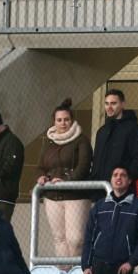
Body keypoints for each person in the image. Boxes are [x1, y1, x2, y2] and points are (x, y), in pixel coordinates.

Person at [82, 166, 138, 274]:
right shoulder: (100, 206)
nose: (118, 177)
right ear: (111, 179)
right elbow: (89, 237)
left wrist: (131, 263)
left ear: (129, 181)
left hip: (123, 268)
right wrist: (86, 266)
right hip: (98, 267)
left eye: (123, 175)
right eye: (115, 175)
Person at [35, 100, 92, 262]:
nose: (63, 123)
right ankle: (64, 272)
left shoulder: (81, 140)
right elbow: (40, 167)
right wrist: (41, 176)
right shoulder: (49, 142)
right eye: (59, 120)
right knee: (59, 238)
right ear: (54, 122)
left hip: (76, 196)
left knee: (76, 239)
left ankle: (77, 269)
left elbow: (84, 166)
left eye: (66, 119)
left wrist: (67, 180)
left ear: (72, 120)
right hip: (52, 196)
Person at [89, 89, 138, 184]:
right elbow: (96, 162)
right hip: (100, 188)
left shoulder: (134, 129)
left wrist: (127, 179)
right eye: (106, 103)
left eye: (113, 103)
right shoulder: (102, 131)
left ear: (122, 104)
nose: (109, 107)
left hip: (122, 189)